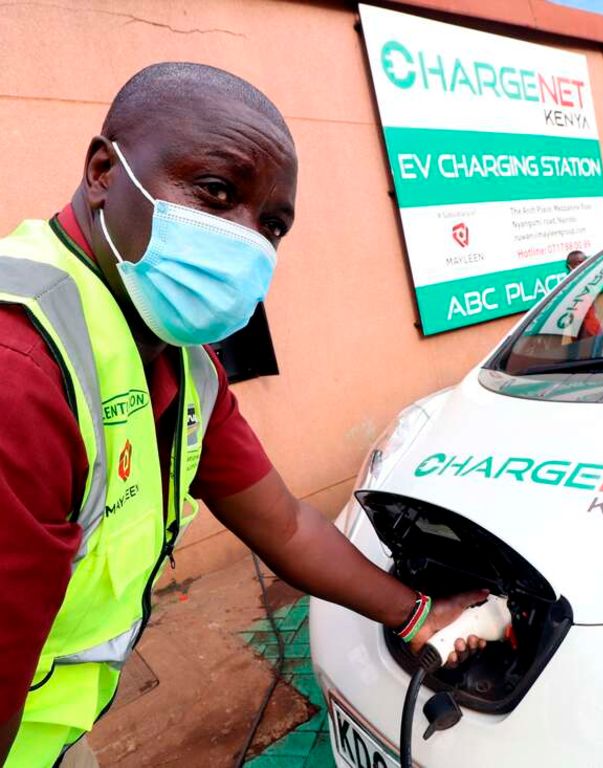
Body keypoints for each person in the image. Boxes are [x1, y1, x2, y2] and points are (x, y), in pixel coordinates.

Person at [0, 62, 487, 768]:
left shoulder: (183, 361)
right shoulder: (20, 369)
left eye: (272, 225)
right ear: (104, 171)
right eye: (216, 191)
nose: (245, 239)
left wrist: (417, 615)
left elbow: (284, 524)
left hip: (54, 727)